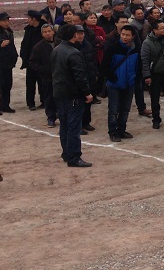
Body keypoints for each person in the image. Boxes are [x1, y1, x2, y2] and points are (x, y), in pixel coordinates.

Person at [50, 24, 93, 167]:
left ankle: (67, 153)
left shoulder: (56, 49)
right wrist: (87, 92)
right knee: (73, 127)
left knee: (64, 126)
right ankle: (74, 157)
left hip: (59, 93)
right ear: (74, 35)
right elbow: (80, 76)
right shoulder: (74, 53)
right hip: (72, 95)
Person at [101, 24, 139, 142]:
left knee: (125, 109)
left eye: (127, 35)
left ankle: (121, 130)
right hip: (115, 84)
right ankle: (113, 132)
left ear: (133, 36)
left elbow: (138, 66)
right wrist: (113, 78)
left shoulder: (135, 49)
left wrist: (135, 79)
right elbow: (104, 66)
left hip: (129, 83)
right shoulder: (113, 48)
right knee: (113, 109)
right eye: (123, 34)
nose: (124, 37)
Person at [141, 20, 164, 130]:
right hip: (154, 74)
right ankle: (156, 119)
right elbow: (144, 60)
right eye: (161, 28)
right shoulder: (147, 43)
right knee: (155, 99)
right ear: (154, 30)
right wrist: (147, 76)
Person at [30, 24, 57, 126]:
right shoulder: (38, 47)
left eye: (49, 31)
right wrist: (43, 70)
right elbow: (33, 62)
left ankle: (62, 115)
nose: (47, 34)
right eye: (45, 32)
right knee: (49, 98)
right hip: (47, 78)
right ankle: (51, 117)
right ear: (42, 34)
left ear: (53, 32)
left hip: (60, 77)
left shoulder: (60, 43)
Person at [20, 10, 44, 110]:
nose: (28, 20)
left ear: (34, 19)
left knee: (43, 82)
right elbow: (24, 44)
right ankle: (30, 103)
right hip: (30, 61)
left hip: (42, 62)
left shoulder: (43, 29)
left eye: (29, 18)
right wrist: (24, 57)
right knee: (30, 83)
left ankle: (44, 101)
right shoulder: (28, 30)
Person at [0, 12, 18, 113]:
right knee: (1, 85)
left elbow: (12, 46)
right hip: (1, 63)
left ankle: (5, 105)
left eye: (7, 20)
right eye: (4, 21)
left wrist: (14, 57)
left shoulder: (9, 32)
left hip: (8, 63)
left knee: (7, 85)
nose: (6, 23)